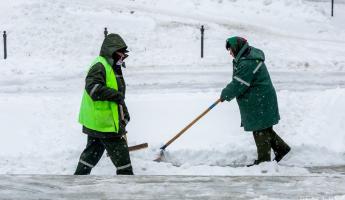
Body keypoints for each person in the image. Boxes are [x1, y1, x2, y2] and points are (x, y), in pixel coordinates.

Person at [220, 36, 291, 167]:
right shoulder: (247, 56)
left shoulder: (248, 62)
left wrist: (225, 94)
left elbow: (239, 83)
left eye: (230, 50)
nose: (230, 53)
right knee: (265, 128)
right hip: (260, 98)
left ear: (236, 48)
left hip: (260, 100)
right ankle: (282, 148)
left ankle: (263, 161)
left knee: (260, 130)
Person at [74, 33, 133, 175]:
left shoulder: (112, 66)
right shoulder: (100, 65)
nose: (122, 57)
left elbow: (118, 95)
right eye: (120, 53)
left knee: (91, 155)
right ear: (111, 51)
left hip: (100, 123)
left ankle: (77, 182)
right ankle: (129, 189)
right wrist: (115, 95)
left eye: (124, 54)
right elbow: (93, 89)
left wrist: (124, 112)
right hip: (105, 124)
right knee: (123, 162)